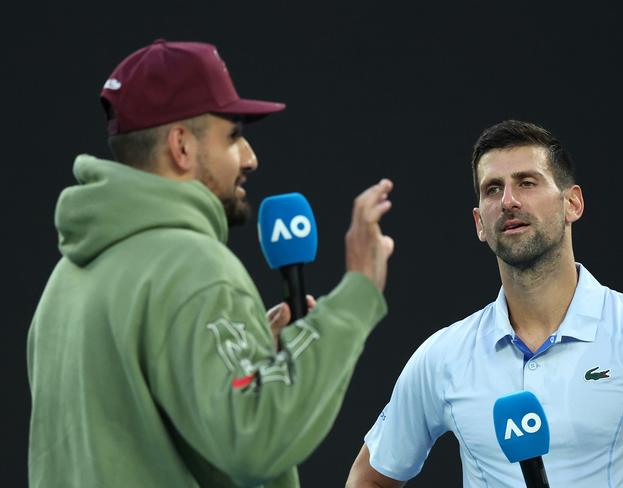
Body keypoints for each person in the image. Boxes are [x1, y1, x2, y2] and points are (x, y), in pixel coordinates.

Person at [27, 39, 395, 488]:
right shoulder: (192, 268)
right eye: (234, 136)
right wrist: (356, 293)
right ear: (181, 146)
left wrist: (252, 355)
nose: (250, 158)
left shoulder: (62, 285)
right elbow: (255, 440)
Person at [346, 120, 623, 487]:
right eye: (493, 189)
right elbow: (370, 478)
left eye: (527, 182)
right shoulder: (445, 356)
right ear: (479, 223)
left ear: (572, 203)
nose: (509, 201)